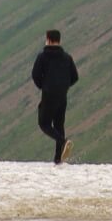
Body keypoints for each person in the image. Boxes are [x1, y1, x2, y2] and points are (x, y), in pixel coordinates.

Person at [30, 27, 79, 164]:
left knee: (44, 123)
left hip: (49, 94)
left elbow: (35, 75)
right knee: (59, 125)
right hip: (62, 95)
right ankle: (58, 159)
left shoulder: (43, 56)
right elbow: (75, 77)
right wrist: (64, 87)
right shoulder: (67, 58)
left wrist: (44, 86)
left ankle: (63, 142)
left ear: (49, 40)